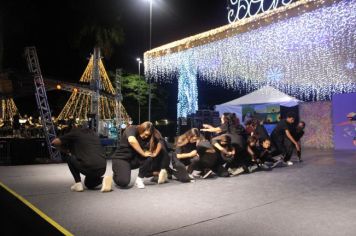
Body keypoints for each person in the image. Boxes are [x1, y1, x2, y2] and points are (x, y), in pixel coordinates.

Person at [111, 121, 170, 189]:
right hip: (121, 159)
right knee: (124, 182)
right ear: (141, 129)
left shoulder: (150, 134)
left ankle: (139, 179)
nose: (145, 136)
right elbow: (132, 141)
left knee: (149, 156)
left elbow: (160, 141)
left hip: (134, 159)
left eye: (148, 135)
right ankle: (117, 173)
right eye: (145, 134)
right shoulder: (132, 129)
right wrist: (143, 153)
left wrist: (155, 153)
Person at [52, 127, 111, 192]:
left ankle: (78, 183)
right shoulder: (93, 133)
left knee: (70, 158)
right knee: (88, 184)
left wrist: (65, 150)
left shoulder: (73, 133)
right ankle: (103, 179)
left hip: (90, 167)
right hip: (102, 168)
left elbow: (54, 142)